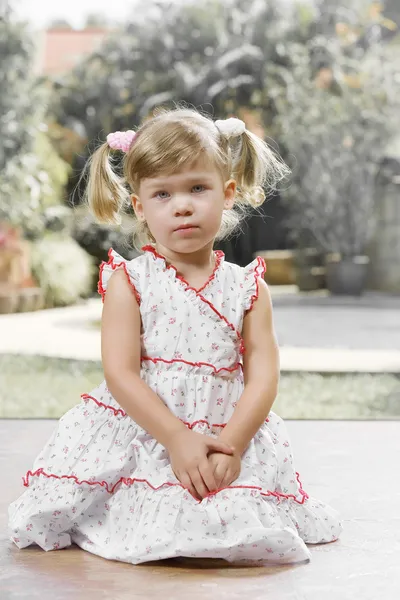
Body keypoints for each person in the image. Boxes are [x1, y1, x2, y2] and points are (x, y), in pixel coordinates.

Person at [8, 108, 342, 565]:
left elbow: (263, 376)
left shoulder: (247, 288)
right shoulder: (130, 282)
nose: (182, 205)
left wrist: (233, 444)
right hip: (149, 428)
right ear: (140, 206)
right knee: (147, 508)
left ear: (227, 194)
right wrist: (176, 438)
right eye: (162, 193)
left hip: (225, 429)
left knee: (228, 504)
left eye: (197, 189)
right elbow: (121, 374)